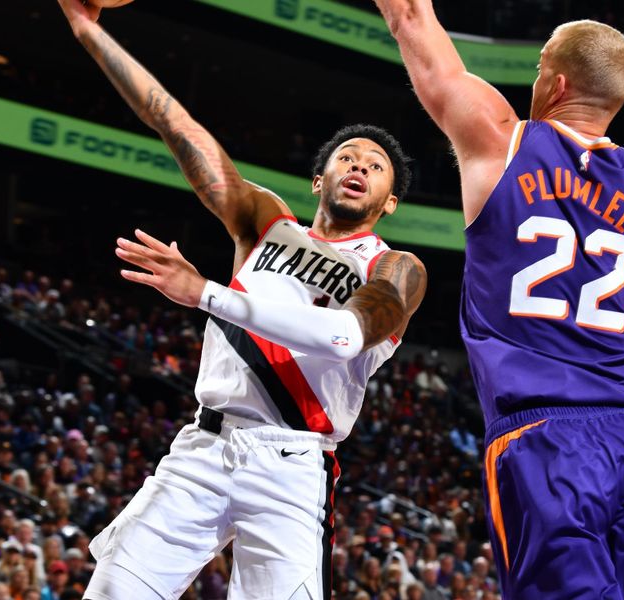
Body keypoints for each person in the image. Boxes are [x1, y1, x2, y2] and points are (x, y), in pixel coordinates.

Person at [55, 1, 427, 598]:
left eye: (375, 165)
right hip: (203, 450)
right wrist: (88, 31)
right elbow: (177, 126)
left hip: (293, 467)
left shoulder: (396, 268)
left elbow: (343, 338)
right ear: (319, 180)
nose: (359, 165)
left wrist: (203, 292)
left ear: (388, 202)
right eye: (346, 157)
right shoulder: (264, 222)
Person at [374, 2, 624, 598]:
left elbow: (410, 17)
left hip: (543, 439)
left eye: (538, 67)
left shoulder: (499, 141)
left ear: (555, 83)